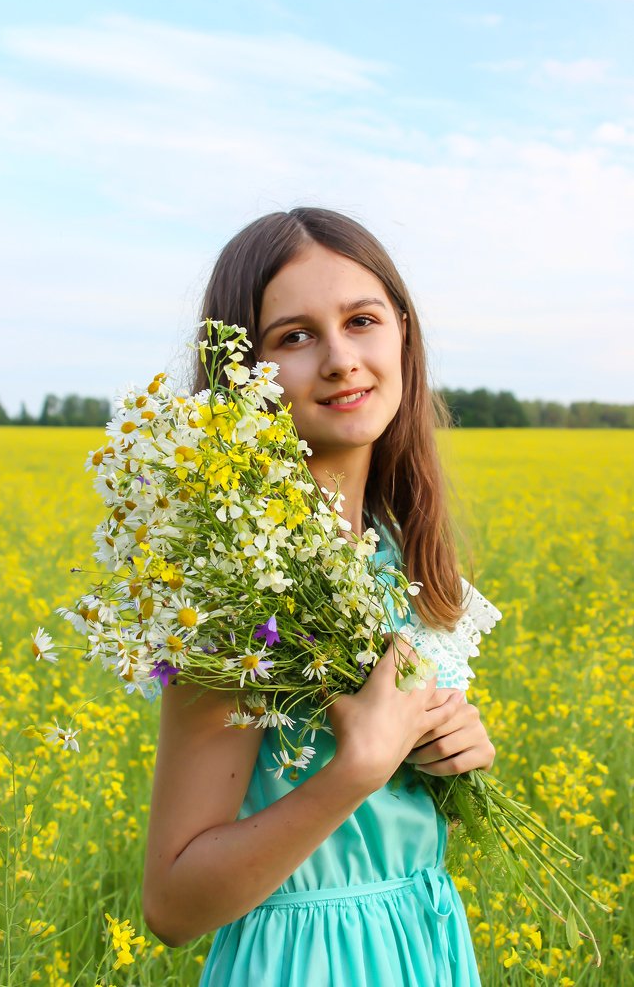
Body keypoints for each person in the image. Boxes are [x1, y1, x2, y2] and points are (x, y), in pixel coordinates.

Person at [142, 208, 497, 986]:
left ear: (402, 332)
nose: (341, 358)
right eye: (294, 337)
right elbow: (172, 904)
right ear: (243, 372)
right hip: (304, 965)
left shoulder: (398, 554)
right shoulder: (233, 587)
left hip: (421, 946)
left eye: (362, 320)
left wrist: (454, 750)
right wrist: (357, 768)